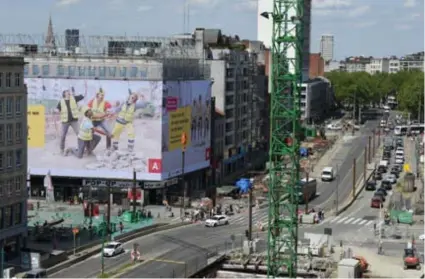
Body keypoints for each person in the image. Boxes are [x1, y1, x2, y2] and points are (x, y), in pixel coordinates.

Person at [55, 84, 87, 155]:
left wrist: (85, 87)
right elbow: (58, 109)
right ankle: (62, 150)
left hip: (74, 121)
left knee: (79, 134)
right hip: (65, 122)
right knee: (63, 135)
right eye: (67, 91)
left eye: (69, 91)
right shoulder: (61, 101)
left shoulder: (74, 98)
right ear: (64, 93)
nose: (68, 92)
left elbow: (83, 96)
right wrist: (55, 110)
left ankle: (81, 149)